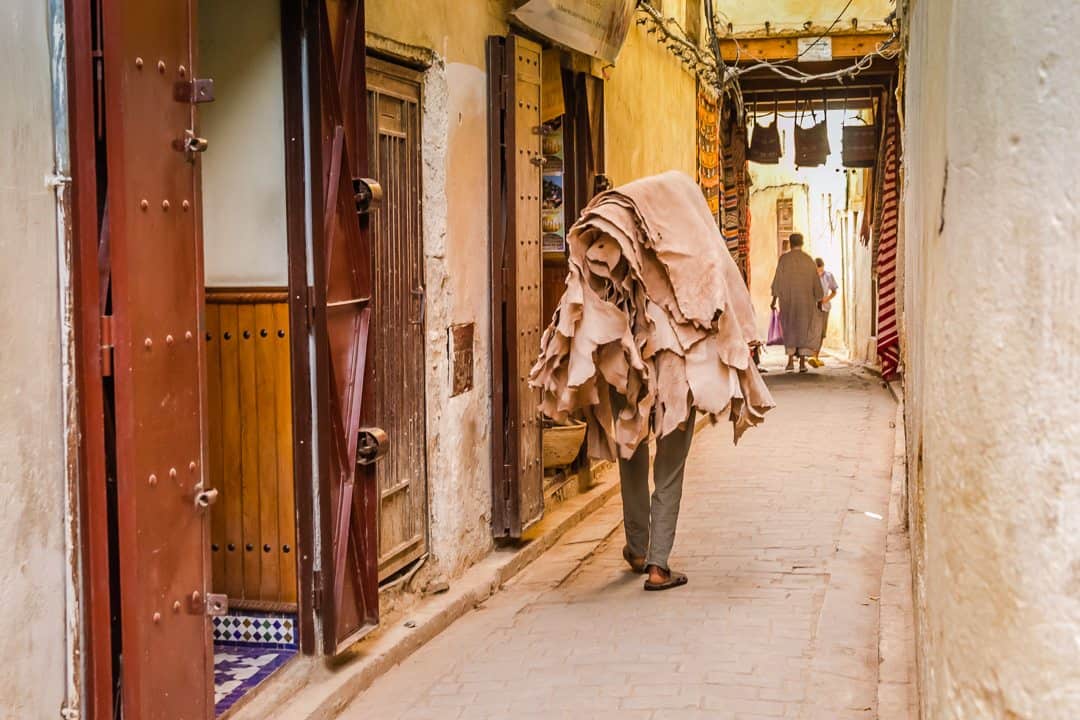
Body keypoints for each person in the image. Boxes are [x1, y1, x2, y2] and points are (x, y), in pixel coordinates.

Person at [770, 233, 824, 373]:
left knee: (790, 330)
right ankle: (801, 364)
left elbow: (777, 281)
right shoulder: (808, 260)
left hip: (788, 303)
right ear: (802, 242)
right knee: (804, 331)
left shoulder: (784, 260)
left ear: (790, 243)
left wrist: (774, 300)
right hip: (806, 304)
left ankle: (789, 362)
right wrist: (818, 300)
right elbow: (816, 284)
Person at [809, 258, 839, 368]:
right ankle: (812, 355)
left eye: (821, 270)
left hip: (825, 307)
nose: (819, 272)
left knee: (821, 333)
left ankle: (815, 357)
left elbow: (834, 291)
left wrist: (827, 299)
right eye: (817, 270)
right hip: (812, 308)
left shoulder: (828, 276)